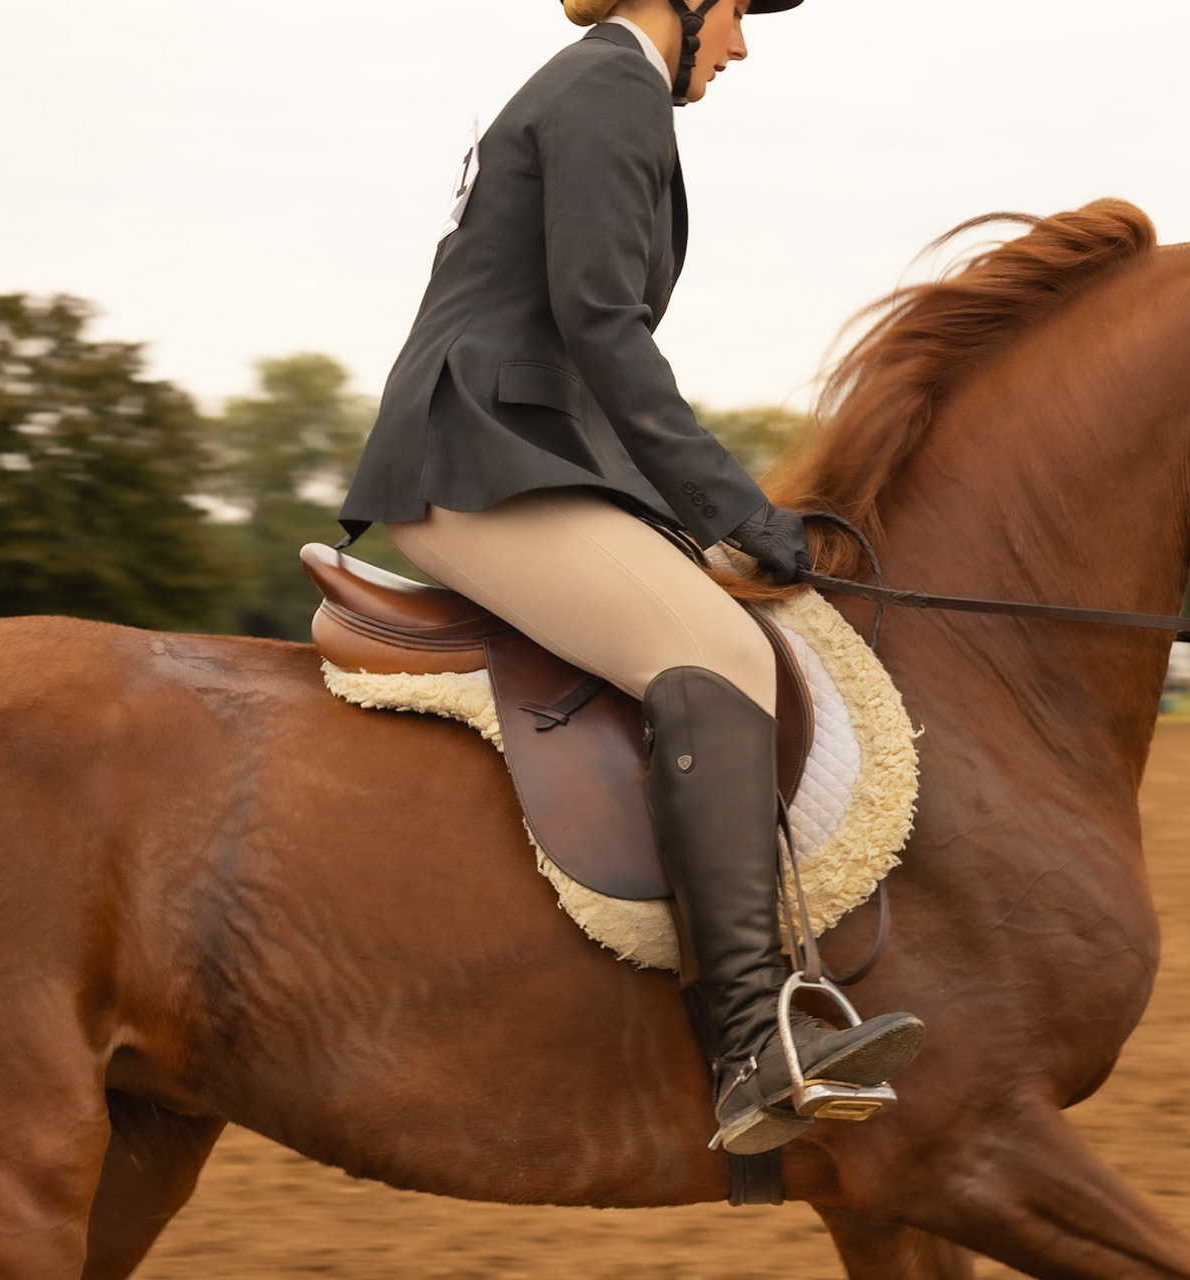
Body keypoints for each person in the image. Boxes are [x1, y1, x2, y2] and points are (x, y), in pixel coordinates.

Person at [336, 0, 923, 1155]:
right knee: (719, 653)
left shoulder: (594, 86)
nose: (741, 44)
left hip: (528, 450)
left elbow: (581, 343)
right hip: (477, 455)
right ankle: (750, 1044)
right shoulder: (611, 89)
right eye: (738, 10)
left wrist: (697, 516)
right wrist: (730, 502)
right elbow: (603, 327)